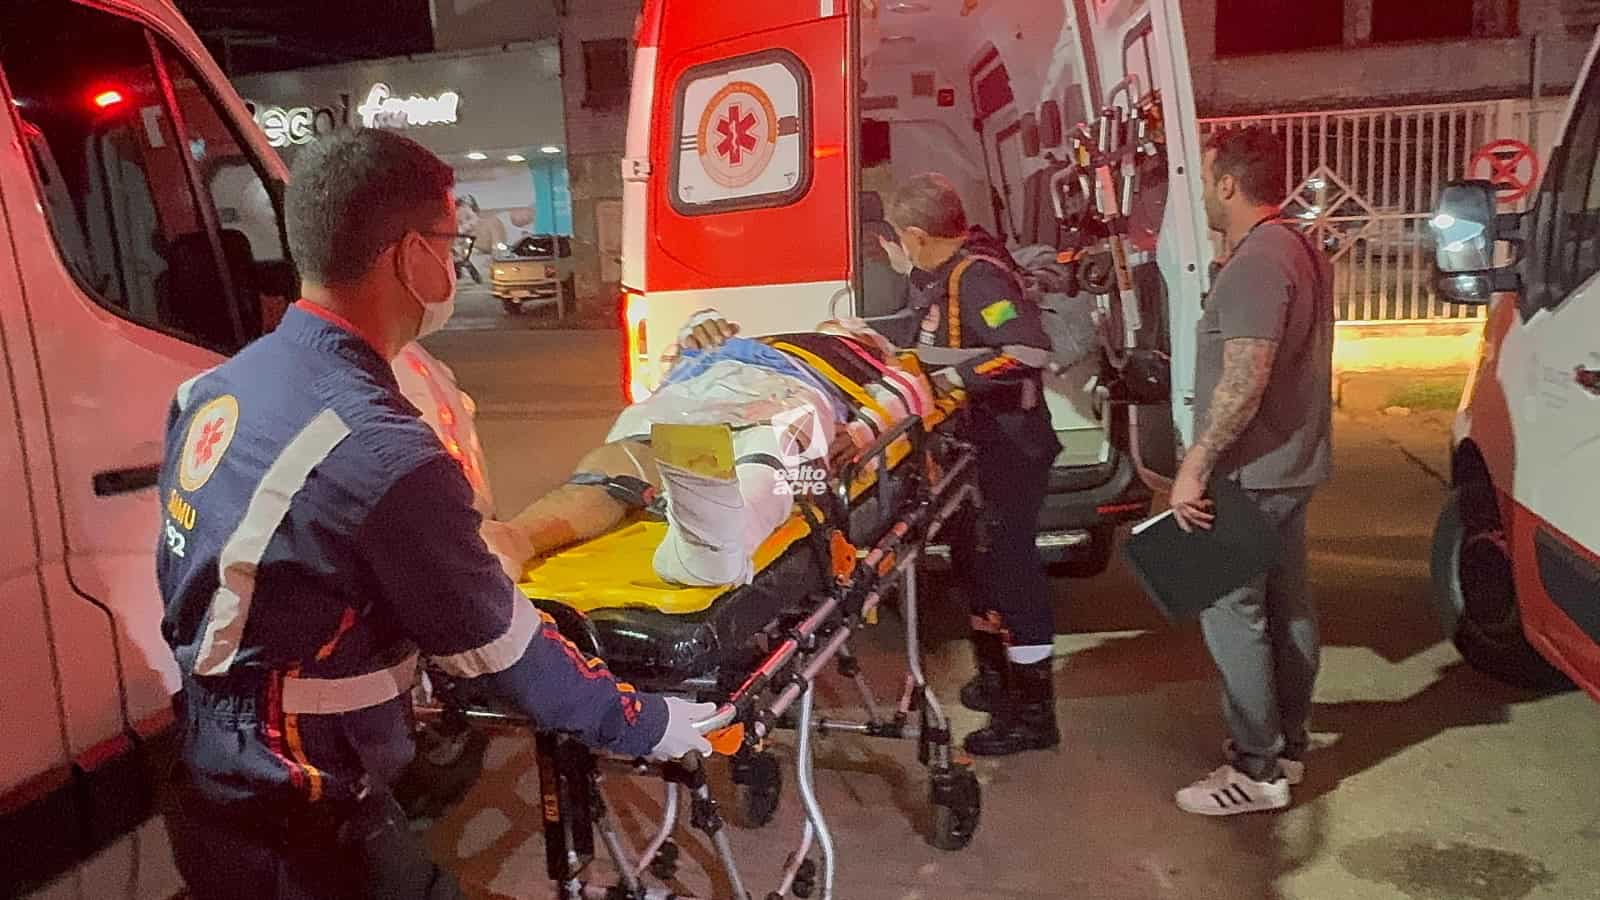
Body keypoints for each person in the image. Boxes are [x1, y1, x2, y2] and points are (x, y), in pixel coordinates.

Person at [155, 129, 714, 900]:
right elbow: (505, 653)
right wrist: (647, 722)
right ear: (412, 255)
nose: (454, 264)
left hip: (212, 771)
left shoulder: (217, 389)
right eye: (452, 242)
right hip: (300, 810)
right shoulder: (380, 450)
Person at [1169, 126, 1334, 816]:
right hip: (1291, 463)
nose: (1203, 195)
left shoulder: (1258, 265)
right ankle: (1287, 746)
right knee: (1288, 607)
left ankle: (1255, 768)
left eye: (1207, 181)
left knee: (1233, 613)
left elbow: (1246, 378)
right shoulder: (1297, 247)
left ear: (1229, 184)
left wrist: (1195, 465)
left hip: (1249, 471)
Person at [884, 173, 1063, 757]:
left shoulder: (978, 275)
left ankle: (1033, 713)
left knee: (1012, 571)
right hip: (980, 448)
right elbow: (939, 338)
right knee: (978, 566)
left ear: (916, 235)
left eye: (901, 238)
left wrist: (951, 380)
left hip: (1012, 447)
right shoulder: (946, 277)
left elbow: (1027, 348)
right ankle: (997, 678)